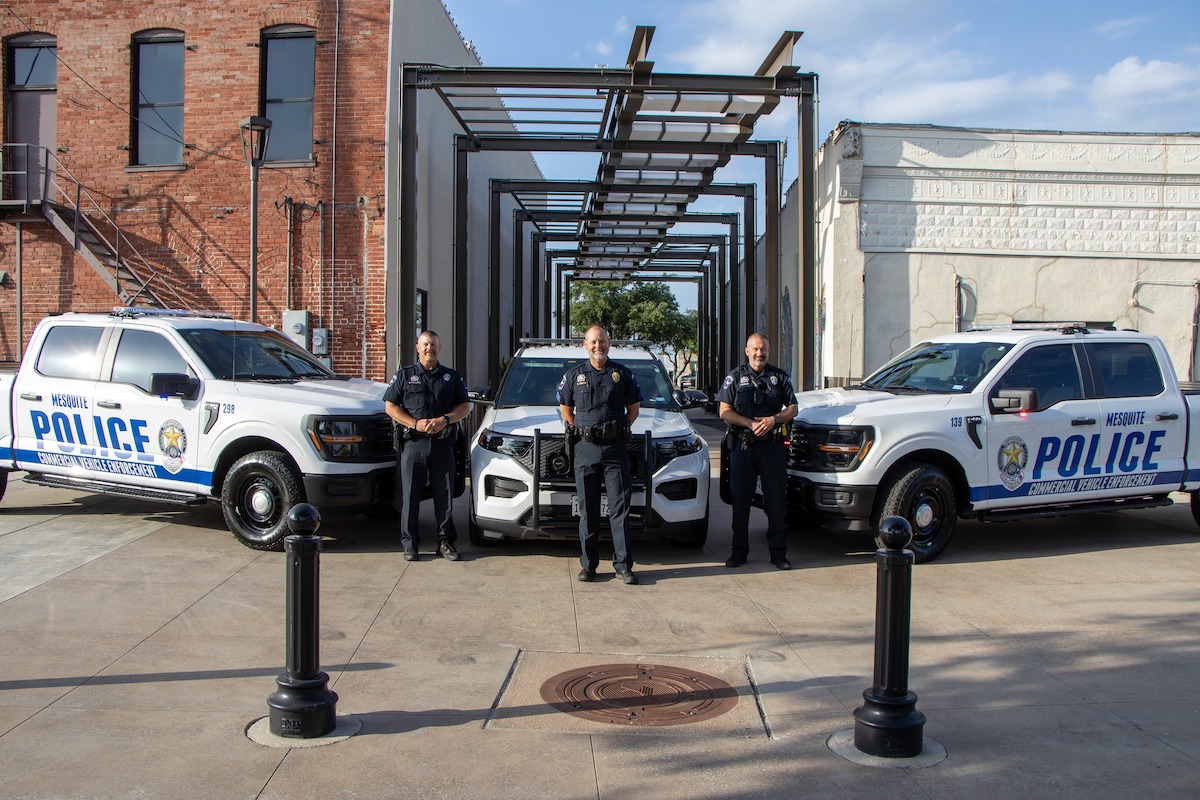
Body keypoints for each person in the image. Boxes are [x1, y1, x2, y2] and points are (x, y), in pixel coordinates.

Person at [557, 325, 642, 585]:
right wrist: (583, 430)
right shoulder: (573, 376)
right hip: (585, 448)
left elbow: (634, 410)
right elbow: (565, 410)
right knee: (588, 510)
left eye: (602, 341)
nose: (598, 346)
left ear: (609, 343)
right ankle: (589, 565)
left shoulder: (622, 374)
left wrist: (615, 429)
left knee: (620, 509)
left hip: (615, 447)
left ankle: (623, 566)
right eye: (593, 342)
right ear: (585, 344)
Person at [384, 330, 471, 562]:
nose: (429, 348)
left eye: (433, 344)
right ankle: (410, 544)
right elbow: (390, 406)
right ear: (417, 347)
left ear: (439, 348)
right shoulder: (405, 375)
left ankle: (445, 542)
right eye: (425, 344)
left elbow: (465, 406)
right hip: (414, 444)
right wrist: (415, 423)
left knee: (445, 495)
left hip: (443, 445)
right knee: (410, 496)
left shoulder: (451, 377)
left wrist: (445, 420)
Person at [716, 332, 798, 570]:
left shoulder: (779, 377)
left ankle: (779, 554)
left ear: (768, 350)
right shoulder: (735, 377)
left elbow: (793, 408)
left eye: (763, 349)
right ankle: (738, 552)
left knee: (775, 502)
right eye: (755, 349)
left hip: (772, 447)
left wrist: (774, 419)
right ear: (747, 351)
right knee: (740, 502)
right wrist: (749, 423)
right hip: (744, 446)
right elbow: (724, 410)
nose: (759, 353)